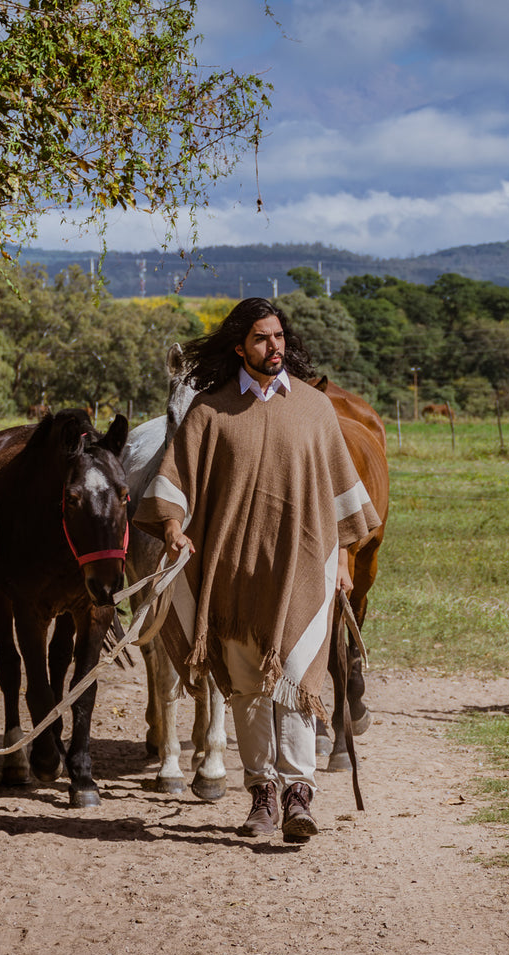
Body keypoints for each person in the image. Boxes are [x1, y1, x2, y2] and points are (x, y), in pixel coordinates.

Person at [133, 297, 380, 842]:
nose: (275, 348)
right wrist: (173, 528)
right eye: (263, 339)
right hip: (233, 575)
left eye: (280, 338)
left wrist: (342, 559)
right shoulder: (210, 411)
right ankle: (261, 794)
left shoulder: (314, 410)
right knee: (246, 687)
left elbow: (341, 494)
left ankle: (299, 796)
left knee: (294, 680)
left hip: (302, 570)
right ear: (240, 345)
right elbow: (175, 483)